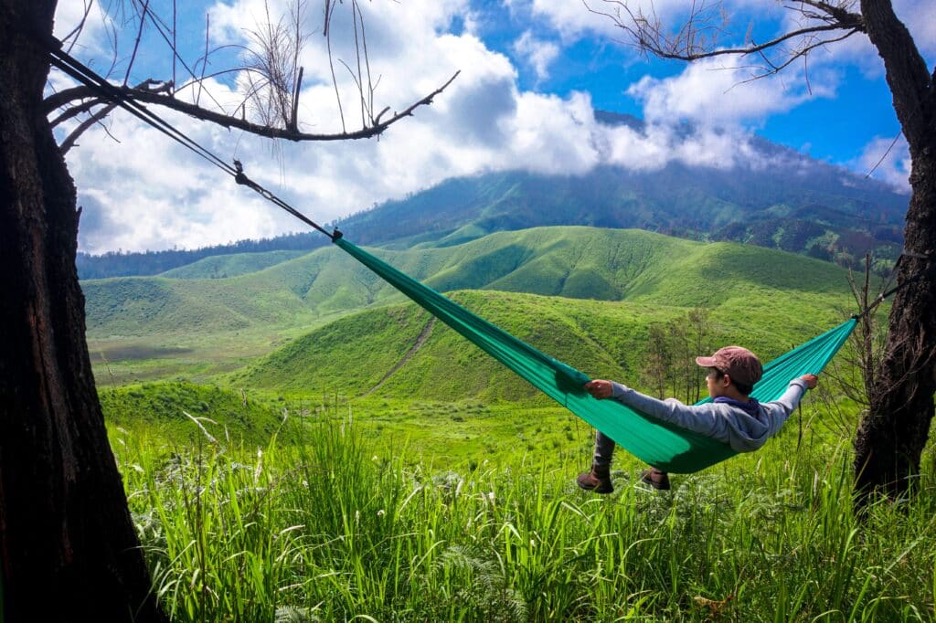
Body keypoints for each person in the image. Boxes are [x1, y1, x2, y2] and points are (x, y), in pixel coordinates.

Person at [576, 345, 819, 494]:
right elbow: (786, 404)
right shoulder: (766, 416)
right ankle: (657, 474)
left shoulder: (713, 417)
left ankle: (599, 475)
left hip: (677, 450)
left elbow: (665, 413)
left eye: (710, 374)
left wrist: (617, 390)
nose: (706, 379)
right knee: (673, 401)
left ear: (725, 381)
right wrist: (801, 383)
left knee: (609, 412)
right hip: (689, 452)